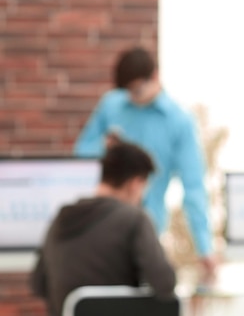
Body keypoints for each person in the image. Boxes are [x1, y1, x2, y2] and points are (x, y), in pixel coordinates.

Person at [73, 47, 217, 281]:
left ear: (155, 77)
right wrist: (103, 147)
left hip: (147, 229)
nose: (131, 96)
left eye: (137, 90)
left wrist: (205, 248)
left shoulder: (179, 122)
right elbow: (81, 154)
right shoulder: (112, 105)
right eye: (126, 91)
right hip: (102, 224)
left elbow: (194, 188)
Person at [31, 142, 176, 316]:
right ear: (136, 183)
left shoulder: (60, 219)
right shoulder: (134, 219)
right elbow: (165, 284)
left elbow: (37, 285)